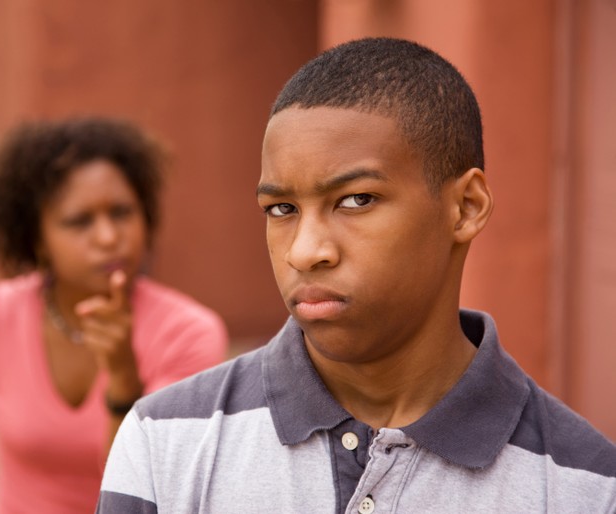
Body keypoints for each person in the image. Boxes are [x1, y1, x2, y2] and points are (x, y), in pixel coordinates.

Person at [96, 38, 616, 513]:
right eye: (281, 209)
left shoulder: (586, 486)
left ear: (465, 207)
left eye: (356, 200)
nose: (305, 252)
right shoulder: (165, 441)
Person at [0, 117, 228, 513]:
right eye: (79, 221)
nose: (108, 237)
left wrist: (123, 380)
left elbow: (143, 488)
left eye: (121, 212)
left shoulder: (188, 333)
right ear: (37, 239)